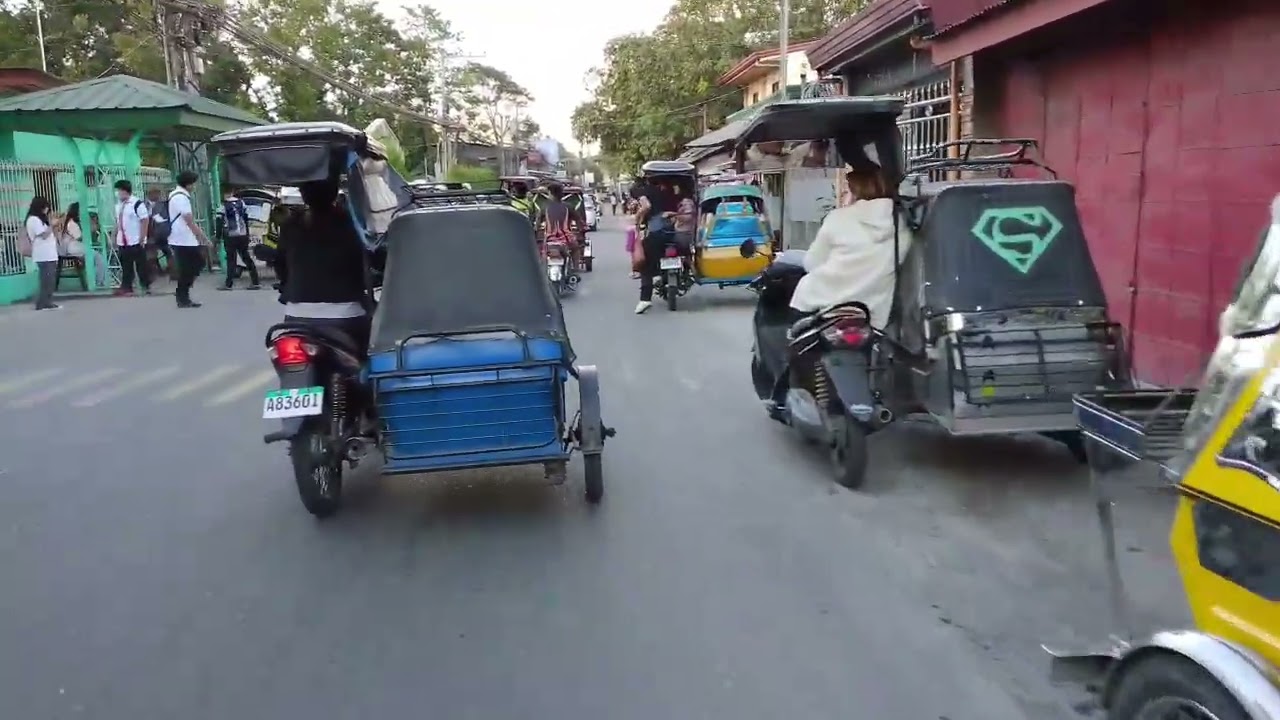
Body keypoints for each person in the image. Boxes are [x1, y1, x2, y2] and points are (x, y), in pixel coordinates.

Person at [788, 167, 912, 326]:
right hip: (873, 314)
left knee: (796, 334)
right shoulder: (903, 225)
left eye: (847, 190)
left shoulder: (838, 218)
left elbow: (812, 263)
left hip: (822, 304)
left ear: (856, 191)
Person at [273, 178, 373, 354]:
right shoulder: (352, 222)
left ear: (303, 195)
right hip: (346, 316)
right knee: (367, 359)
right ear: (334, 192)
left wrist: (288, 283)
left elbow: (280, 264)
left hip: (297, 317)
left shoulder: (291, 224)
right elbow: (371, 258)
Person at [633, 179, 680, 314]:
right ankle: (660, 275)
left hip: (657, 231)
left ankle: (645, 299)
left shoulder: (643, 191)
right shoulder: (671, 191)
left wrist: (638, 217)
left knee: (646, 265)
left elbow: (646, 206)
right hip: (675, 231)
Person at [168, 170, 211, 309]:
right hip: (183, 238)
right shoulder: (181, 198)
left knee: (191, 266)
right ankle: (182, 295)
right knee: (193, 266)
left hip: (181, 237)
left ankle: (183, 295)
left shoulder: (175, 195)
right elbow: (189, 221)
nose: (194, 186)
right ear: (188, 184)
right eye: (193, 183)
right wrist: (203, 238)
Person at [112, 179, 151, 296]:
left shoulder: (137, 204)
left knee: (141, 265)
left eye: (119, 191)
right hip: (123, 241)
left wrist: (142, 237)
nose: (117, 193)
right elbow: (118, 222)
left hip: (135, 239)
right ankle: (126, 286)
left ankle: (145, 286)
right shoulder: (119, 206)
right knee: (126, 265)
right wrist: (114, 236)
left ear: (125, 191)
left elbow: (145, 220)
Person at [217, 187, 261, 291]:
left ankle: (228, 284)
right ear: (232, 192)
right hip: (242, 235)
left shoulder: (222, 206)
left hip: (230, 236)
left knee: (231, 260)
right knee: (246, 257)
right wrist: (247, 234)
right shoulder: (242, 203)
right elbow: (246, 219)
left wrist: (218, 237)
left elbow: (219, 223)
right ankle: (255, 282)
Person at [59, 203, 108, 289]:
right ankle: (98, 281)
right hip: (74, 248)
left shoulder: (70, 222)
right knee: (98, 257)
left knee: (95, 257)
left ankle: (97, 280)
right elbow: (79, 237)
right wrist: (91, 230)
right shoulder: (71, 223)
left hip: (74, 247)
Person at [26, 196, 60, 310]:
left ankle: (48, 301)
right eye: (45, 207)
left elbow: (50, 234)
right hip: (43, 254)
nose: (47, 210)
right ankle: (42, 302)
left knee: (50, 280)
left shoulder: (42, 220)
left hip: (50, 254)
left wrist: (53, 226)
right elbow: (43, 235)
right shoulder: (33, 220)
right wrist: (52, 225)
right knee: (46, 280)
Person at [145, 186, 175, 280]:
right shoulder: (143, 205)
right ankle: (155, 271)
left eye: (158, 193)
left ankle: (171, 270)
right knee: (150, 252)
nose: (158, 196)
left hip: (162, 233)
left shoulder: (163, 205)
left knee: (167, 251)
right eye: (156, 193)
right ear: (150, 194)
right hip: (148, 233)